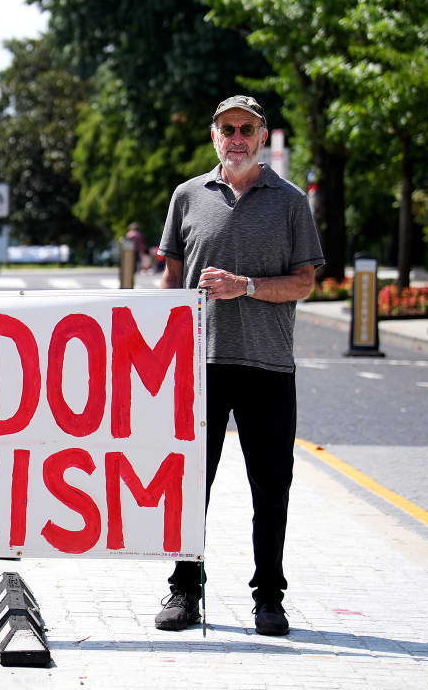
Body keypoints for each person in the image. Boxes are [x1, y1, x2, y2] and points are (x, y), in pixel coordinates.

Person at [153, 95, 323, 637]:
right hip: (200, 367)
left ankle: (269, 598)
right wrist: (162, 347)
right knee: (189, 487)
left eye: (247, 129)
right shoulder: (187, 197)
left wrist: (244, 287)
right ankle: (185, 591)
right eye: (227, 128)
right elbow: (170, 283)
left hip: (268, 367)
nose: (237, 137)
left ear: (263, 135)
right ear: (214, 136)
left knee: (270, 488)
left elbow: (304, 282)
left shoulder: (291, 201)